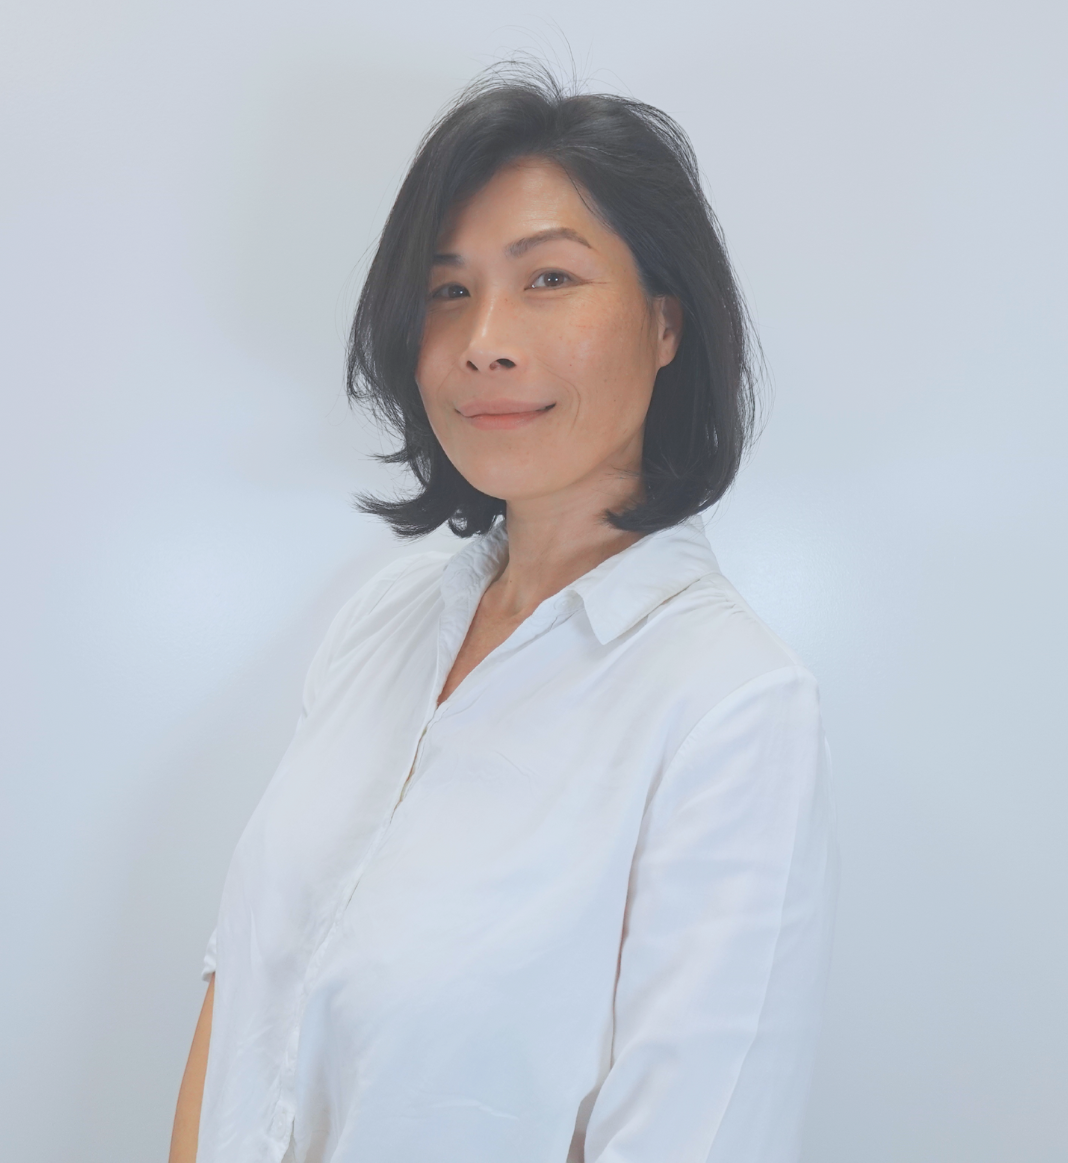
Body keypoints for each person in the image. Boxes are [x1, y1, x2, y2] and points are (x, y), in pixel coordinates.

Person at [170, 63, 837, 1163]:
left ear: (667, 324)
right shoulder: (382, 621)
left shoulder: (732, 709)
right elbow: (241, 979)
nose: (484, 339)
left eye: (549, 280)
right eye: (447, 291)